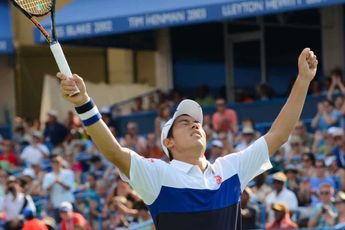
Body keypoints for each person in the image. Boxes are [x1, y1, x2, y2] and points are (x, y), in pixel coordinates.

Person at [57, 48, 318, 229]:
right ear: (168, 143)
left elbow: (280, 134)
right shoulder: (158, 175)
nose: (195, 124)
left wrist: (303, 80)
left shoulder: (230, 169)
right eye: (184, 122)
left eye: (197, 123)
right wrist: (84, 103)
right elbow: (114, 152)